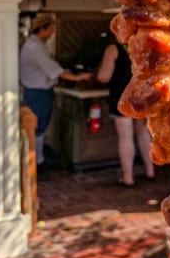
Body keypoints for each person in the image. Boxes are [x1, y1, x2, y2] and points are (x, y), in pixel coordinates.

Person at [19, 13, 92, 166]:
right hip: (37, 92)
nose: (52, 34)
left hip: (37, 91)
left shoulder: (35, 44)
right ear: (42, 29)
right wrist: (79, 78)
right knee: (37, 126)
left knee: (38, 126)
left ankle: (37, 160)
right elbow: (56, 71)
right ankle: (36, 163)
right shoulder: (35, 47)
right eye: (51, 30)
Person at [96, 39, 155, 185]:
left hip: (122, 97)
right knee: (142, 132)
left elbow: (104, 76)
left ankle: (128, 177)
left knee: (125, 137)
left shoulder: (113, 48)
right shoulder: (143, 44)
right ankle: (150, 170)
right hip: (141, 96)